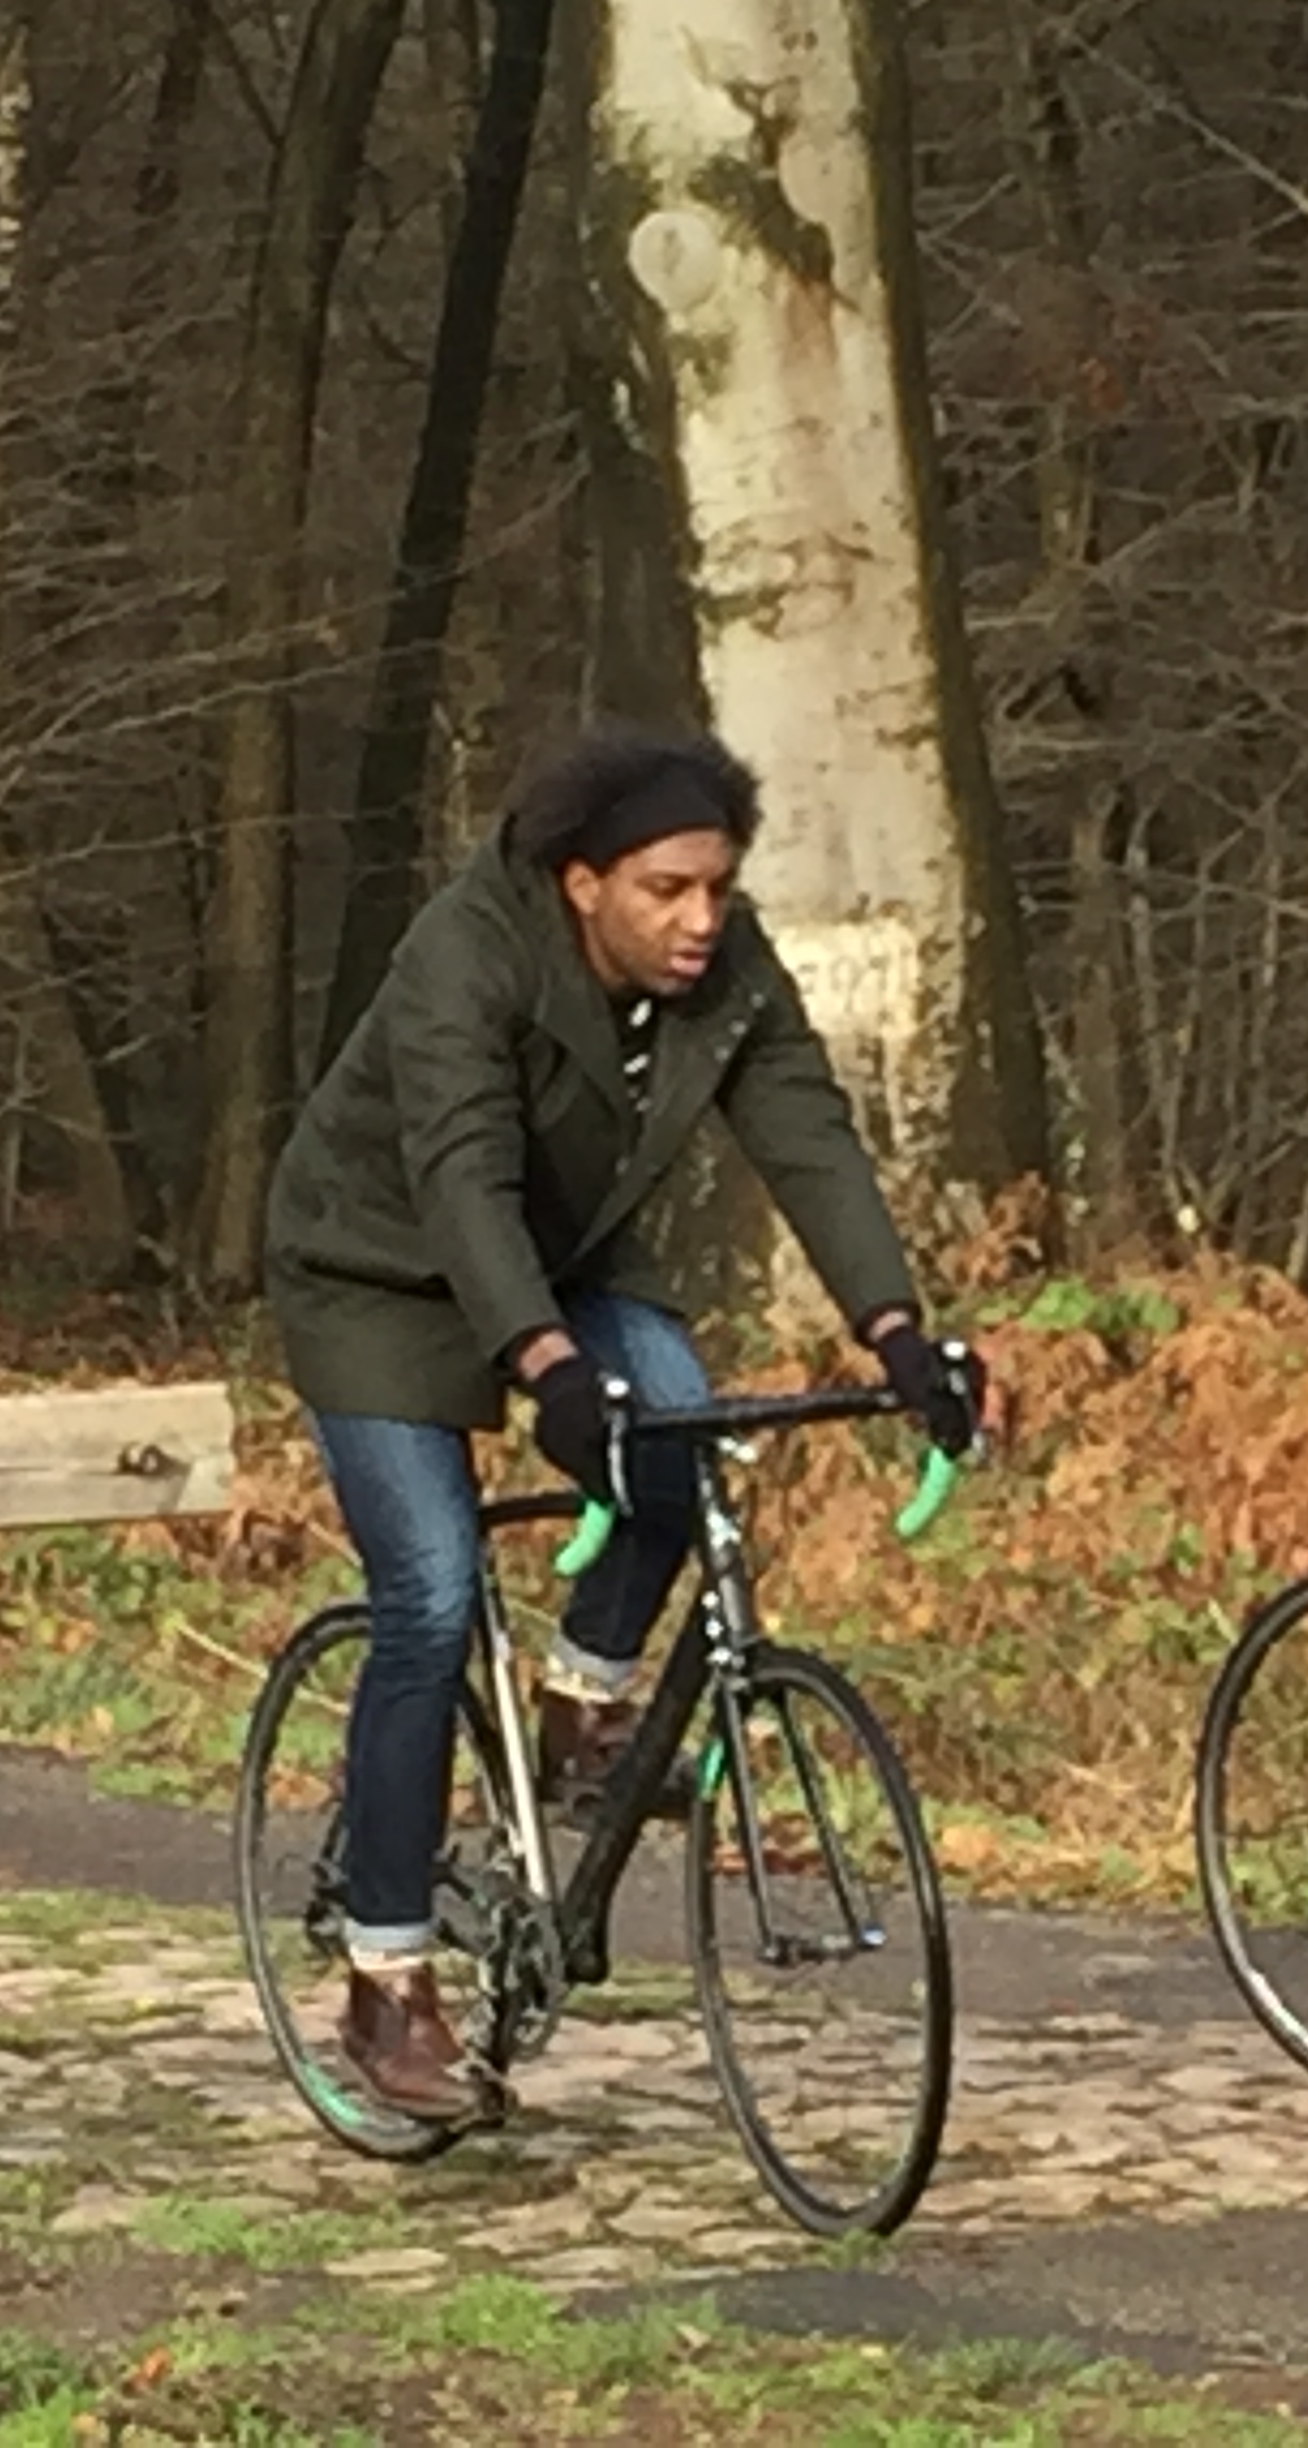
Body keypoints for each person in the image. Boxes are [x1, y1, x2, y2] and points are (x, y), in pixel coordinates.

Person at [262, 725, 980, 2118]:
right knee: (428, 1595)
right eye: (667, 891)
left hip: (559, 1263)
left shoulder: (725, 971)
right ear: (582, 883)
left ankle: (580, 1708)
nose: (701, 919)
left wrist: (895, 1328)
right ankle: (386, 1986)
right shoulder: (464, 955)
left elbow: (807, 1135)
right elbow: (462, 1173)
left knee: (680, 1445)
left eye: (717, 887)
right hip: (375, 1276)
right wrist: (543, 1364)